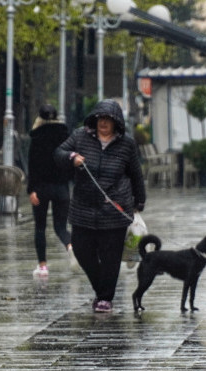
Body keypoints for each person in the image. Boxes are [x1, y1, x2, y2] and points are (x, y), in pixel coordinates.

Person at [55, 100, 146, 313]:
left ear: (117, 123)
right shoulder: (80, 136)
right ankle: (100, 287)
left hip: (114, 209)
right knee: (81, 249)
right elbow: (58, 153)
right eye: (100, 119)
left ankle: (106, 298)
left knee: (110, 256)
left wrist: (139, 201)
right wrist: (72, 157)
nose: (103, 123)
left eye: (108, 120)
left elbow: (136, 174)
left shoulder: (127, 144)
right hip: (83, 208)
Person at [27, 104, 73, 277]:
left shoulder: (36, 137)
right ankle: (70, 246)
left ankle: (43, 266)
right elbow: (70, 163)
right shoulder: (65, 137)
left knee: (40, 227)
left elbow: (32, 166)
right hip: (62, 188)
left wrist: (31, 190)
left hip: (41, 189)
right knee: (61, 227)